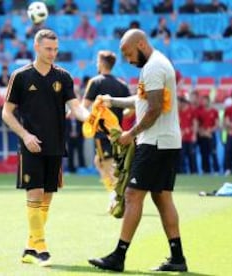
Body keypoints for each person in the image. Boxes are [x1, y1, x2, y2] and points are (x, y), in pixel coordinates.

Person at [88, 29, 188, 272]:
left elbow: (153, 109)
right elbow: (142, 100)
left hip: (155, 143)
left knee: (133, 195)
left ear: (141, 44)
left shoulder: (154, 67)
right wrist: (113, 101)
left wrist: (129, 134)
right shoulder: (155, 64)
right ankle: (177, 258)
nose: (128, 59)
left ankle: (118, 257)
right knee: (162, 197)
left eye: (129, 53)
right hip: (166, 142)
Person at [1, 29, 90, 267]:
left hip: (55, 146)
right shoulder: (20, 76)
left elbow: (76, 107)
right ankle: (41, 248)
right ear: (37, 47)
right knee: (35, 193)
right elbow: (6, 113)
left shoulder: (64, 76)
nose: (53, 53)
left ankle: (30, 247)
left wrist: (91, 118)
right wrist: (25, 134)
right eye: (48, 49)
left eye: (56, 49)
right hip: (30, 146)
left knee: (47, 198)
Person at [83, 50, 130, 192]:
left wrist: (94, 121)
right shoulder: (122, 84)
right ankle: (117, 195)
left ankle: (117, 197)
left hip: (103, 134)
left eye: (98, 61)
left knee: (107, 165)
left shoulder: (95, 82)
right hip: (118, 133)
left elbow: (84, 107)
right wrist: (118, 118)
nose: (96, 64)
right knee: (100, 162)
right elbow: (131, 109)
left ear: (102, 63)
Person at [196, 95, 220, 174]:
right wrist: (203, 132)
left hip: (211, 135)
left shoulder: (214, 111)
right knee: (204, 153)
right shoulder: (200, 111)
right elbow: (197, 124)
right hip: (203, 135)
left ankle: (216, 170)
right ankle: (205, 170)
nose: (204, 102)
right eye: (203, 100)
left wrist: (210, 131)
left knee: (213, 153)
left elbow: (217, 124)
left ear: (208, 101)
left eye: (205, 100)